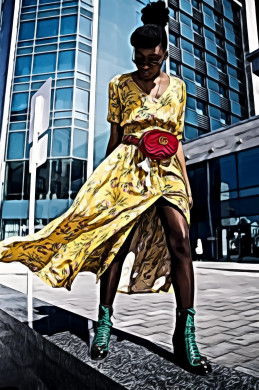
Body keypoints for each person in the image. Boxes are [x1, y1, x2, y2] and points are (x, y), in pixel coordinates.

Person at [0, 0, 212, 376]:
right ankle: (104, 322)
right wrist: (99, 180)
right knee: (115, 244)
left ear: (164, 53)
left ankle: (185, 333)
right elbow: (115, 138)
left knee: (180, 239)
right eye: (140, 59)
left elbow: (176, 139)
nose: (146, 66)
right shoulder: (119, 85)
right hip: (127, 167)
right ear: (133, 54)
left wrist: (186, 183)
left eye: (153, 59)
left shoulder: (178, 88)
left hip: (166, 168)